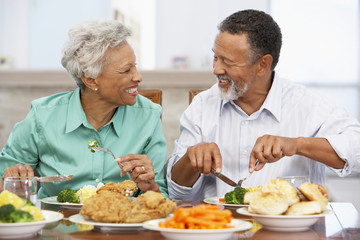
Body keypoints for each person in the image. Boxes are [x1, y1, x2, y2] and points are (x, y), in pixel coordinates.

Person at [166, 9, 360, 201]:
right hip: (219, 226)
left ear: (263, 65)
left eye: (229, 62)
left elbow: (357, 152)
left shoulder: (308, 105)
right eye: (216, 57)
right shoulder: (202, 105)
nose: (216, 69)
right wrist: (190, 159)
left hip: (291, 230)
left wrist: (297, 144)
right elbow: (177, 194)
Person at [0, 19, 168, 198]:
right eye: (126, 70)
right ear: (91, 79)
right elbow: (6, 182)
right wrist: (12, 179)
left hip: (122, 223)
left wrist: (150, 187)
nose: (138, 77)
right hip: (58, 223)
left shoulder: (149, 116)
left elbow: (162, 198)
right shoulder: (42, 116)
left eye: (135, 66)